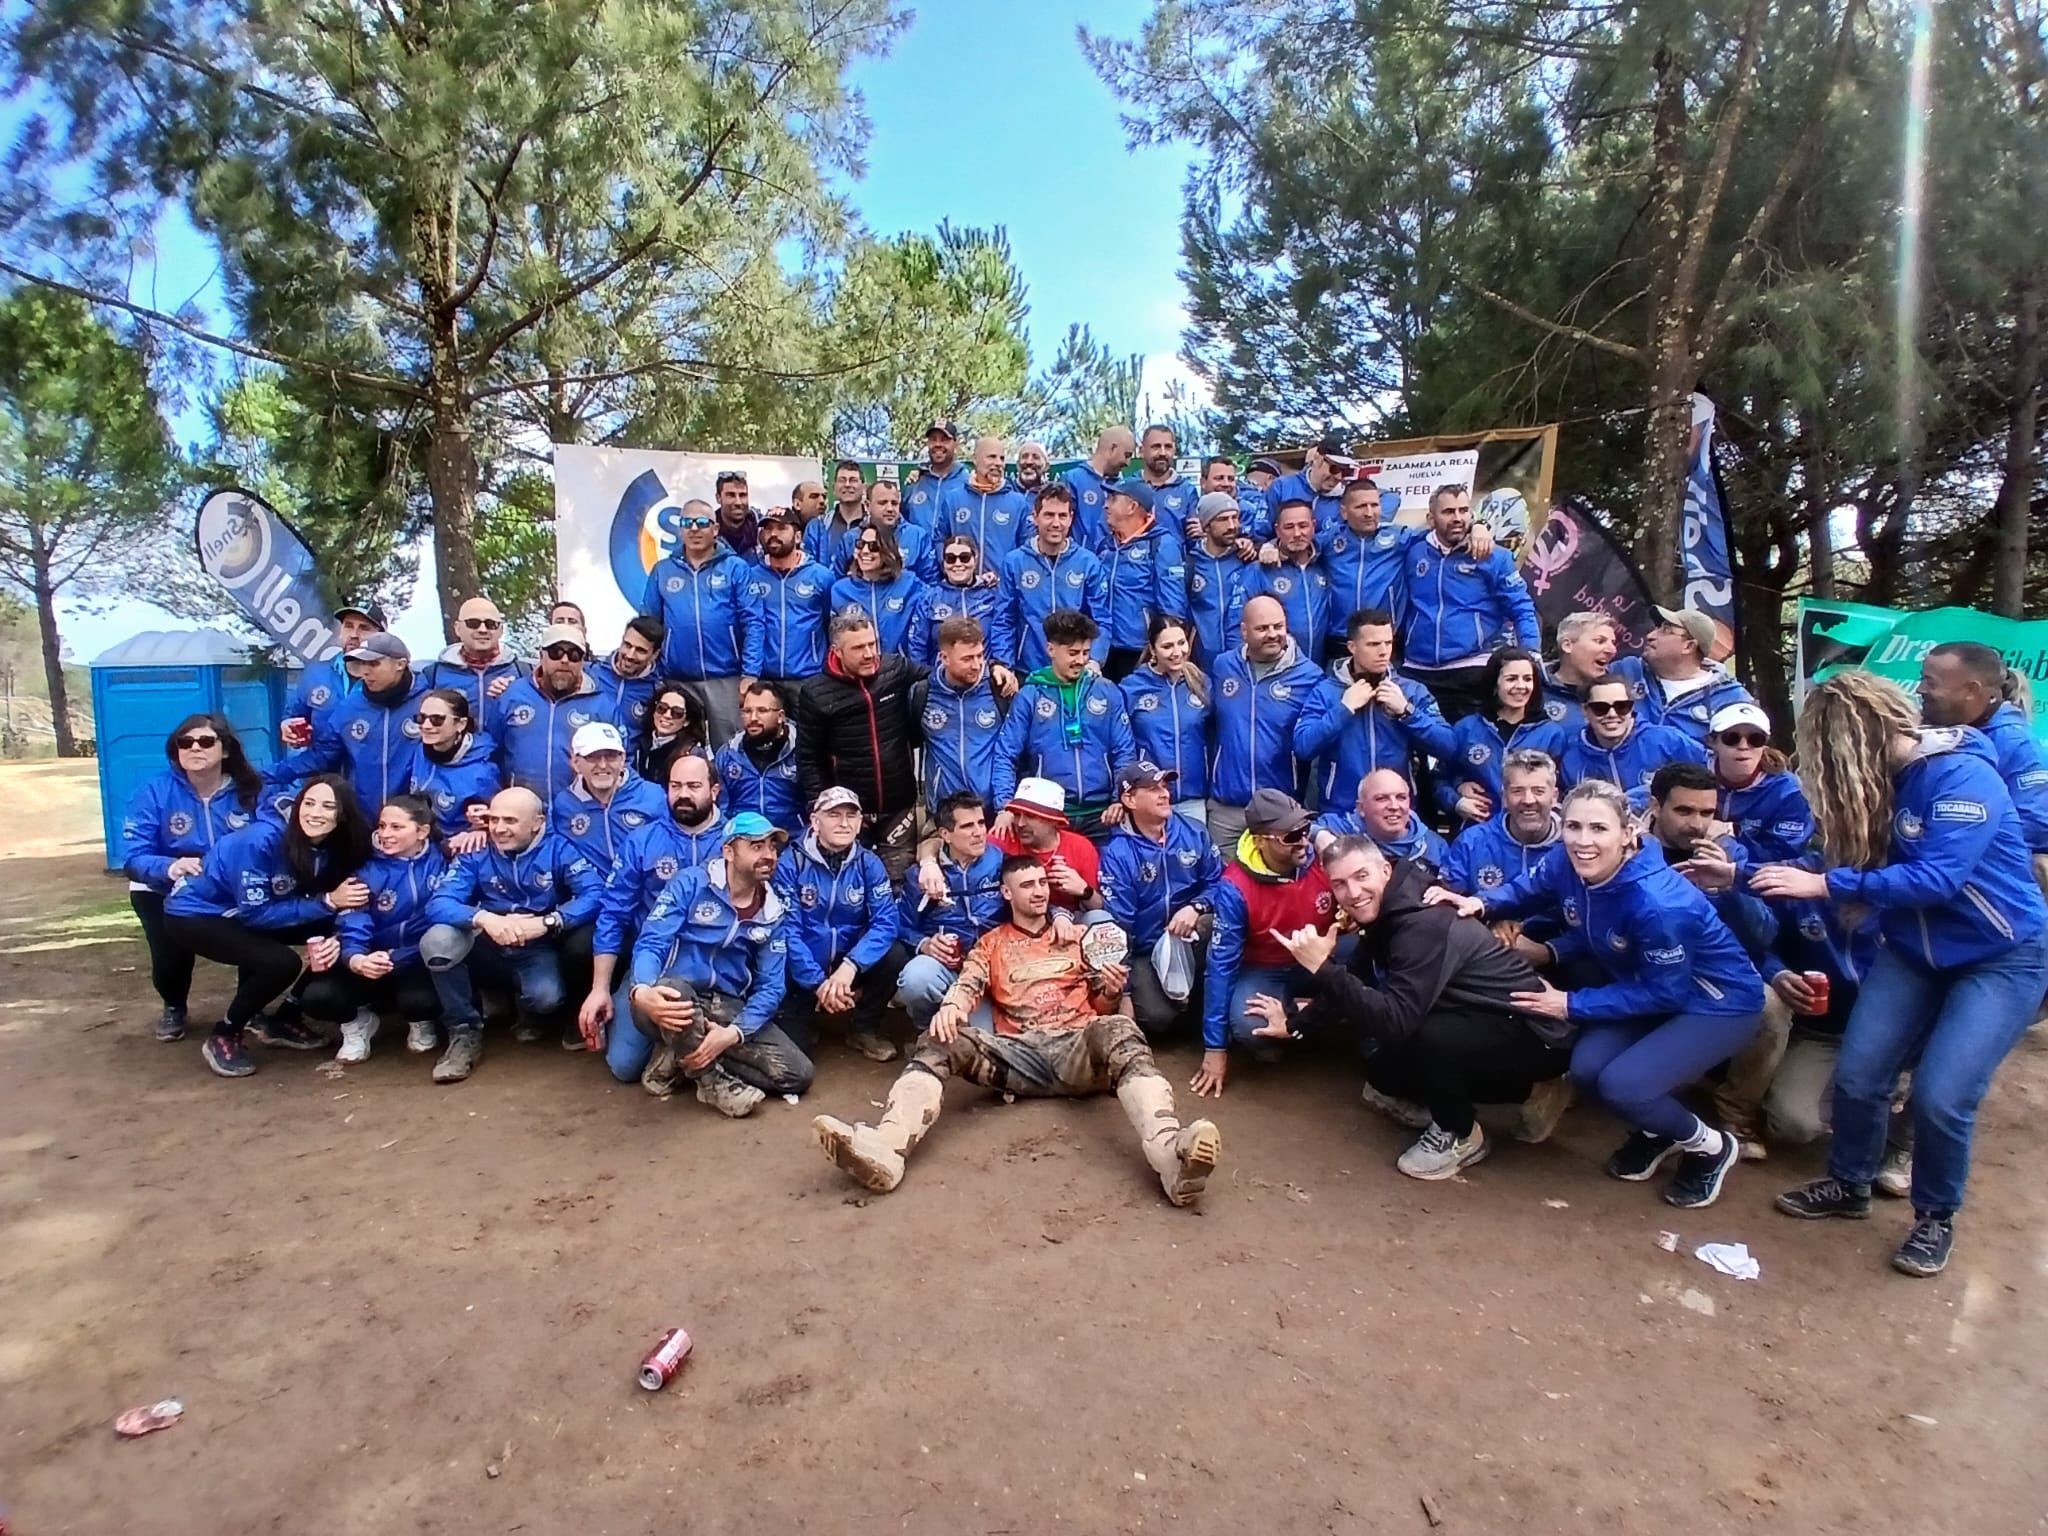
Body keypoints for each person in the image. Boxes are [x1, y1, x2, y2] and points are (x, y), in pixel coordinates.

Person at [1753, 673, 2048, 1277]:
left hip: (2000, 957)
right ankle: (1850, 1184)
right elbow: (1823, 860)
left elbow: (1938, 879)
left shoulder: (1960, 776)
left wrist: (1826, 885)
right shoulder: (1881, 784)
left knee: (1943, 1095)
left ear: (1857, 741)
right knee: (1860, 1076)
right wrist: (1737, 874)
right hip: (1915, 952)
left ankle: (1935, 1217)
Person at [812, 853, 1222, 1207]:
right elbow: (969, 983)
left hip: (1078, 1051)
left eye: (1042, 883)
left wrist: (1112, 991)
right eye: (1027, 885)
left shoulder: (1077, 937)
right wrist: (952, 1007)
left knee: (1117, 1029)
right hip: (1017, 1055)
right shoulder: (990, 944)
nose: (1039, 892)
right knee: (940, 1039)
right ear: (1007, 893)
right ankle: (888, 1148)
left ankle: (1169, 1154)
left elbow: (1102, 1006)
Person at [1441, 778, 1766, 1210]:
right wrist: (1482, 904)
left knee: (1625, 1086)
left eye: (1598, 829)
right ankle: (1660, 1131)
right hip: (1645, 983)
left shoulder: (1657, 903)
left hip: (1717, 1001)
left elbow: (1665, 993)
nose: (1583, 841)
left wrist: (1569, 1004)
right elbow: (1528, 889)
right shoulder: (1568, 859)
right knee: (1588, 1068)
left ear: (1628, 834)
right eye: (1574, 827)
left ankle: (1711, 1146)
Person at [1270, 837, 1573, 1178]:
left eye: (1361, 876)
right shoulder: (1394, 902)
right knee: (1383, 1073)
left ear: (1385, 870)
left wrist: (1322, 968)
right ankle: (1530, 1093)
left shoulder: (1421, 923)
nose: (1353, 892)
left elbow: (1396, 1020)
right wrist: (1296, 1025)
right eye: (1340, 884)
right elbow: (1357, 972)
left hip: (1536, 1033)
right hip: (1475, 1015)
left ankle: (1459, 1132)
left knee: (1422, 1034)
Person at [162, 775, 374, 1078]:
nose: (315, 813)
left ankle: (284, 1019)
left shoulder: (336, 845)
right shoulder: (261, 839)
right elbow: (256, 915)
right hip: (197, 913)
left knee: (341, 933)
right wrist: (327, 902)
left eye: (328, 807)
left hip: (245, 912)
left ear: (342, 816)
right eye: (309, 803)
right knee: (280, 963)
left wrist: (336, 921)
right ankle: (225, 1033)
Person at [628, 812, 811, 1116]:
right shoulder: (690, 883)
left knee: (798, 1074)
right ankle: (711, 1081)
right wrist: (642, 990)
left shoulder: (773, 909)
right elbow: (652, 942)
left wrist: (733, 1033)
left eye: (772, 847)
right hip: (669, 997)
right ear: (729, 851)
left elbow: (771, 986)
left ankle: (680, 1055)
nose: (768, 855)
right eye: (756, 846)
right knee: (675, 995)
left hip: (725, 1005)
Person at [421, 787, 604, 1081]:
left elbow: (594, 894)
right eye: (493, 820)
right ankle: (463, 1031)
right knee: (438, 940)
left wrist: (549, 921)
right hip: (485, 943)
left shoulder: (559, 849)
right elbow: (439, 902)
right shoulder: (477, 850)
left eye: (510, 821)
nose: (498, 828)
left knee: (546, 999)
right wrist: (485, 919)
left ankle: (520, 1003)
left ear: (537, 822)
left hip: (534, 946)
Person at [580, 750, 726, 1080]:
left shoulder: (735, 838)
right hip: (654, 963)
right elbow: (613, 913)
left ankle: (687, 1052)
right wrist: (599, 988)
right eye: (675, 786)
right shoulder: (642, 840)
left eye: (693, 786)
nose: (683, 794)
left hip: (720, 964)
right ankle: (674, 1047)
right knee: (624, 1067)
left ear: (714, 791)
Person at [120, 714, 267, 1040]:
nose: (194, 748)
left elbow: (271, 838)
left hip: (233, 888)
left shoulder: (251, 791)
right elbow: (133, 855)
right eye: (185, 743)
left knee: (259, 945)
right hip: (163, 888)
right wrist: (169, 867)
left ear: (225, 749)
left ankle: (252, 1008)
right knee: (169, 960)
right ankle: (174, 1005)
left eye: (205, 741)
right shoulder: (154, 792)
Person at [1194, 789, 1337, 1097]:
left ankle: (1306, 1015)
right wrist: (1215, 1047)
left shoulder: (1322, 855)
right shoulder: (1235, 887)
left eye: (1305, 829)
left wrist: (1322, 833)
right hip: (1265, 969)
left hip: (1323, 955)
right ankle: (1293, 1023)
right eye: (1290, 836)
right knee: (1248, 1024)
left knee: (1372, 966)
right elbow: (1221, 966)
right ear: (1260, 841)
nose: (1302, 840)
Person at [301, 793, 447, 1062]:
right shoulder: (367, 871)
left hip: (416, 960)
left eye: (397, 827)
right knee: (318, 997)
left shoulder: (444, 860)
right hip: (372, 961)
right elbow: (354, 921)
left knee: (421, 1002)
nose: (385, 834)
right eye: (382, 826)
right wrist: (357, 958)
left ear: (422, 831)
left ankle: (420, 1021)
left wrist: (400, 955)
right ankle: (357, 1024)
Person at [774, 787, 906, 1062]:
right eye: (834, 815)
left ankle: (863, 1029)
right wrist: (818, 982)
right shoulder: (790, 862)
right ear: (815, 821)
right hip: (804, 967)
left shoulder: (869, 863)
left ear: (859, 824)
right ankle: (807, 1016)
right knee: (796, 1052)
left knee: (895, 954)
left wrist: (851, 966)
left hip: (848, 962)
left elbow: (886, 922)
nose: (844, 823)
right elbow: (787, 931)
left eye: (851, 816)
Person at [1390, 484, 1541, 720]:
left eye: (1463, 511)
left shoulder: (1494, 556)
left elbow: (1521, 608)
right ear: (1431, 519)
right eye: (1448, 512)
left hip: (1470, 667)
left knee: (1468, 741)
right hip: (1416, 669)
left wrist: (1530, 652)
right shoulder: (1414, 551)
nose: (1458, 518)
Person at [796, 609, 924, 881]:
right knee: (849, 884)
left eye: (872, 644)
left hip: (899, 806)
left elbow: (939, 680)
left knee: (898, 884)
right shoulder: (816, 693)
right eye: (858, 648)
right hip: (849, 813)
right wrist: (819, 807)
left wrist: (995, 671)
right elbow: (808, 758)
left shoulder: (895, 669)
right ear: (837, 651)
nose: (869, 654)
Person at [1097, 762, 1224, 1036]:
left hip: (1188, 936)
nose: (1165, 794)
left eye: (1165, 786)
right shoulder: (1118, 852)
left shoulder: (1194, 832)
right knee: (1157, 1019)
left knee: (1212, 924)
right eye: (1154, 789)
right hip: (1145, 949)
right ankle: (1179, 1011)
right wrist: (1124, 994)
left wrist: (1196, 906)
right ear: (1130, 799)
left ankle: (1207, 1010)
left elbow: (1220, 883)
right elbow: (1119, 926)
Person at [993, 608, 1135, 841]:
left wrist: (1120, 798)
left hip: (1102, 816)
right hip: (1048, 816)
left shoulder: (1107, 691)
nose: (1081, 661)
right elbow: (1006, 753)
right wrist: (1004, 805)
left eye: (1086, 653)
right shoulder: (1030, 695)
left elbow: (1124, 751)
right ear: (1051, 649)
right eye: (1073, 653)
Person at [1917, 640, 2048, 884]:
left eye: (1930, 683)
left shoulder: (2014, 742)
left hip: (1997, 880)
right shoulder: (1942, 730)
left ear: (1971, 690)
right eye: (1921, 679)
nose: (1919, 689)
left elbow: (2035, 825)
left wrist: (1953, 841)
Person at [1205, 594, 1327, 851]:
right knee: (1225, 876)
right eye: (1262, 628)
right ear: (1244, 631)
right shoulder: (1223, 666)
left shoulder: (1310, 676)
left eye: (1278, 626)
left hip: (1280, 811)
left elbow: (1314, 749)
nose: (1272, 634)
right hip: (1227, 808)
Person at [1295, 607, 1451, 806]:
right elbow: (1303, 747)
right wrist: (1343, 709)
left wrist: (1407, 712)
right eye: (1373, 644)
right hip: (1342, 811)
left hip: (1396, 810)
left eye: (1388, 643)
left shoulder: (1411, 691)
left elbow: (1448, 746)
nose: (1383, 651)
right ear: (1352, 647)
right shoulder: (1325, 691)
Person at [266, 631, 429, 808]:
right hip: (362, 814)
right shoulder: (350, 707)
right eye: (362, 663)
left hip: (413, 816)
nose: (365, 671)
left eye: (374, 663)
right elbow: (321, 756)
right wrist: (265, 775)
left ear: (400, 664)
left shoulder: (428, 702)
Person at [638, 495, 751, 745]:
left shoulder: (735, 568)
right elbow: (649, 625)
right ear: (680, 529)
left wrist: (750, 674)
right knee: (675, 750)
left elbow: (753, 623)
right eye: (687, 523)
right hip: (677, 679)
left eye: (702, 522)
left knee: (730, 749)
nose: (694, 529)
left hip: (726, 678)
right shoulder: (663, 570)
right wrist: (655, 673)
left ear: (715, 528)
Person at [894, 791, 1007, 1031]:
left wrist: (1060, 914)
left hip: (993, 967)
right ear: (945, 835)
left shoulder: (1001, 862)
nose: (978, 832)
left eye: (981, 823)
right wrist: (924, 944)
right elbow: (900, 925)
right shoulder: (921, 876)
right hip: (948, 968)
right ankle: (926, 1030)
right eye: (967, 826)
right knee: (916, 978)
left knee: (982, 1037)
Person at [1438, 646, 1568, 827]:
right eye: (1511, 679)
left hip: (1531, 831)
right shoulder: (1466, 729)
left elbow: (1562, 790)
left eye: (1527, 679)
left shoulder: (1552, 734)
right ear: (1494, 684)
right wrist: (1457, 799)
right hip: (1478, 830)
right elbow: (1439, 778)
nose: (1521, 686)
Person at [494, 623, 616, 802]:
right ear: (541, 656)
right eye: (555, 652)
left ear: (582, 661)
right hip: (522, 809)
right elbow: (492, 750)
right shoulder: (513, 695)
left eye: (574, 655)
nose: (564, 660)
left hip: (579, 809)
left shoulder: (602, 704)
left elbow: (620, 760)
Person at [1608, 605, 1754, 747]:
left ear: (1689, 646)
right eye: (1656, 628)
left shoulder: (1731, 698)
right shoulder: (1627, 670)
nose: (1650, 636)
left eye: (1666, 630)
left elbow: (1745, 750)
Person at [740, 503, 839, 712]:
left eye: (782, 528)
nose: (773, 534)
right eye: (768, 529)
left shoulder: (822, 576)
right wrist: (750, 672)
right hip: (766, 679)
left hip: (809, 678)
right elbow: (749, 624)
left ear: (798, 536)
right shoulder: (751, 576)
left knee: (809, 732)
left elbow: (831, 625)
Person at [911, 613, 1012, 815]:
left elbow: (1013, 751)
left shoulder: (999, 688)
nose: (976, 665)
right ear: (944, 658)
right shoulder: (922, 693)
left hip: (992, 810)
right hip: (944, 812)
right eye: (967, 659)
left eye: (980, 656)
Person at [1001, 483, 1107, 673]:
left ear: (1071, 518)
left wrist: (1094, 660)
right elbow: (1004, 618)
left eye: (1062, 516)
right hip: (1028, 669)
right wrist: (1003, 663)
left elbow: (1101, 619)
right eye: (1049, 515)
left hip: (1075, 668)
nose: (1056, 523)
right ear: (1035, 517)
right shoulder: (1014, 561)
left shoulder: (1087, 562)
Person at [1120, 614, 1213, 828]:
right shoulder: (1131, 688)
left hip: (1193, 799)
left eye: (1181, 643)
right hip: (1149, 797)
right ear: (1153, 650)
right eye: (1167, 646)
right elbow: (1122, 745)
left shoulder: (1201, 683)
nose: (1177, 652)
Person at [1558, 674, 1705, 806]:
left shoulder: (1668, 741)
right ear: (1585, 711)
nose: (1612, 714)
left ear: (1632, 708)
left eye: (1621, 706)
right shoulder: (1572, 758)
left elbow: (1707, 779)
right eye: (1600, 708)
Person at [1097, 480, 1190, 680]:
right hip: (1104, 648)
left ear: (1132, 506)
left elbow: (1172, 606)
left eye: (1113, 499)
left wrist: (1160, 649)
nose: (1106, 505)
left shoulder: (1161, 544)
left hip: (1139, 651)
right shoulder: (1106, 545)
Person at [1439, 748, 1563, 897]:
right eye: (1517, 791)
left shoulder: (1571, 844)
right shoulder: (1471, 843)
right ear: (1504, 797)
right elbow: (1447, 900)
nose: (1528, 800)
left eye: (1538, 791)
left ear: (1554, 797)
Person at [1707, 701, 1814, 869]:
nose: (1743, 746)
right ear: (1712, 742)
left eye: (1755, 739)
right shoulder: (1694, 773)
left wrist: (1726, 839)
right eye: (1731, 738)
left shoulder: (1789, 792)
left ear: (1765, 743)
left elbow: (1783, 856)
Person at [551, 721, 668, 872]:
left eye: (611, 756)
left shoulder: (653, 796)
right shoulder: (564, 805)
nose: (602, 765)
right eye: (592, 757)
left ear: (622, 759)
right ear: (575, 762)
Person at [987, 777, 1103, 912]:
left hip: (1072, 920)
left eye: (1030, 816)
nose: (1020, 824)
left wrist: (1084, 890)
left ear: (1054, 820)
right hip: (1013, 919)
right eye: (1017, 815)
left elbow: (1099, 907)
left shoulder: (1080, 847)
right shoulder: (1000, 839)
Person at [281, 600, 387, 746]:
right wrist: (289, 728)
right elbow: (295, 716)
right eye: (348, 626)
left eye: (364, 628)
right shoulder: (316, 674)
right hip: (320, 759)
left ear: (382, 637)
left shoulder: (392, 682)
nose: (354, 635)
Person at [1320, 478, 1413, 645]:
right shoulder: (1330, 540)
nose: (1369, 513)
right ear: (1344, 512)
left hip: (1385, 640)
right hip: (1339, 640)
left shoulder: (1399, 537)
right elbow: (1299, 546)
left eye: (1374, 505)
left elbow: (1437, 538)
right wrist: (1274, 547)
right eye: (1361, 506)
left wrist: (1469, 533)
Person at [910, 532, 1017, 674]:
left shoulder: (992, 593)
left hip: (984, 677)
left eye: (964, 558)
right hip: (943, 679)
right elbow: (918, 644)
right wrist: (923, 677)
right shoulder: (929, 598)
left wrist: (1003, 665)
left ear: (975, 559)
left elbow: (1004, 631)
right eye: (950, 558)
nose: (958, 564)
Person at [404, 688, 500, 845]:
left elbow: (492, 821)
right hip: (421, 842)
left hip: (458, 847)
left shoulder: (483, 772)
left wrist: (479, 829)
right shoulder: (420, 750)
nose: (426, 725)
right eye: (421, 718)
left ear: (461, 724)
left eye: (437, 719)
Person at [1246, 498, 1335, 664]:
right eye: (1289, 527)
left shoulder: (1325, 562)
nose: (1297, 533)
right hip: (1276, 667)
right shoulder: (1259, 570)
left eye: (1303, 526)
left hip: (1320, 664)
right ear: (1277, 530)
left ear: (1313, 526)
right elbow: (1240, 622)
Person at [1312, 768, 1449, 874]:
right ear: (1361, 808)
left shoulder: (1433, 845)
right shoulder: (1345, 828)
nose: (1394, 806)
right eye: (1382, 798)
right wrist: (1319, 835)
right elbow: (1306, 826)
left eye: (1401, 797)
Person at [422, 596, 525, 737]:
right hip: (456, 752)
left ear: (501, 630)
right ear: (458, 628)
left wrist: (514, 694)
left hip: (507, 751)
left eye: (491, 624)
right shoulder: (432, 675)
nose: (482, 629)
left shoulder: (523, 672)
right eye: (473, 623)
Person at [714, 681, 803, 836]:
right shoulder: (728, 754)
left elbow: (815, 805)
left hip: (792, 839)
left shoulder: (802, 751)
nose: (753, 718)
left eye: (762, 711)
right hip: (742, 839)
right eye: (747, 711)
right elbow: (720, 809)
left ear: (780, 716)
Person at [830, 523, 927, 657]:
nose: (865, 551)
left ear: (888, 551)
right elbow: (835, 637)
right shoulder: (840, 590)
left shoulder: (910, 584)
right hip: (860, 665)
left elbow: (922, 630)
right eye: (860, 544)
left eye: (873, 546)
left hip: (898, 665)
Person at [1186, 490, 1253, 664]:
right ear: (1206, 525)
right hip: (1201, 662)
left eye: (1235, 518)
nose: (1232, 526)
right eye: (1223, 519)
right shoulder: (1190, 563)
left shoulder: (1247, 558)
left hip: (1242, 661)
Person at [947, 434, 1032, 564]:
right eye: (992, 457)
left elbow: (1026, 548)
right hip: (962, 577)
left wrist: (1009, 572)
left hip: (1003, 577)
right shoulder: (953, 499)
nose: (998, 463)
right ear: (975, 459)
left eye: (1002, 458)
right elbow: (940, 540)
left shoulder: (1018, 502)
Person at [587, 613, 665, 739]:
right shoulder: (592, 673)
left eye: (640, 650)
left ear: (655, 655)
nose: (630, 655)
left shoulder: (658, 691)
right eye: (627, 645)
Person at [1539, 611, 1619, 731]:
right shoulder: (1533, 689)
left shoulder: (1617, 693)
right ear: (1567, 646)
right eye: (1600, 641)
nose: (1612, 650)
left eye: (1613, 643)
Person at [1060, 425, 1136, 550]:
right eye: (1126, 455)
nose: (1128, 463)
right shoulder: (1073, 479)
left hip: (1112, 559)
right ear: (1112, 448)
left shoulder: (1122, 486)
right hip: (1080, 560)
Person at [1266, 435, 1352, 534]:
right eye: (1334, 469)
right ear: (1317, 458)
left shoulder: (1346, 498)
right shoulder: (1281, 488)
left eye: (1345, 471)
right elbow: (1261, 533)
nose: (1339, 477)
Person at [1127, 423, 1198, 535]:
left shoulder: (1187, 490)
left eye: (1168, 447)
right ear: (1141, 451)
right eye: (1156, 447)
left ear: (1174, 450)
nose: (1163, 453)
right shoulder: (1127, 488)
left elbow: (1194, 537)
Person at [636, 679, 708, 788]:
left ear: (686, 721)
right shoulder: (640, 743)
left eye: (677, 713)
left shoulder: (691, 753)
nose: (667, 715)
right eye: (661, 708)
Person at [903, 419, 968, 532]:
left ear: (956, 444)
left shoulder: (968, 481)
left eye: (944, 440)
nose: (938, 444)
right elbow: (901, 522)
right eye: (933, 439)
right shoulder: (914, 483)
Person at [806, 460, 870, 570]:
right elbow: (808, 567)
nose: (847, 485)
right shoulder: (817, 527)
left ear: (864, 488)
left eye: (853, 480)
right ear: (834, 488)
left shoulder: (874, 526)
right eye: (842, 480)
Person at [712, 468, 757, 557]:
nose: (738, 502)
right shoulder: (707, 530)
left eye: (742, 495)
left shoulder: (761, 526)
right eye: (731, 495)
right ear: (718, 498)